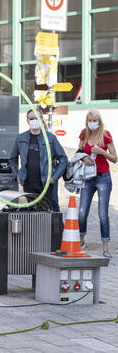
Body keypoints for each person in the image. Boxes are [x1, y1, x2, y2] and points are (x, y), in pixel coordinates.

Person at [9, 108, 68, 209]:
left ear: (41, 120)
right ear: (27, 120)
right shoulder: (20, 138)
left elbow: (63, 159)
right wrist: (17, 174)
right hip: (29, 183)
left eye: (37, 118)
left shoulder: (50, 138)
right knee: (33, 212)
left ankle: (56, 226)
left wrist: (54, 177)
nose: (34, 120)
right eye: (31, 118)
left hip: (47, 182)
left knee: (51, 210)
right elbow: (13, 159)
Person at [77, 109, 117, 258]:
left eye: (95, 120)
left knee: (102, 213)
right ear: (87, 120)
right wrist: (83, 158)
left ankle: (105, 247)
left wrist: (102, 152)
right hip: (88, 178)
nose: (92, 123)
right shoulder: (84, 133)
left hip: (103, 177)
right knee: (82, 212)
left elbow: (115, 158)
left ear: (99, 121)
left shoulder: (105, 135)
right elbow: (78, 152)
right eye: (90, 120)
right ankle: (81, 241)